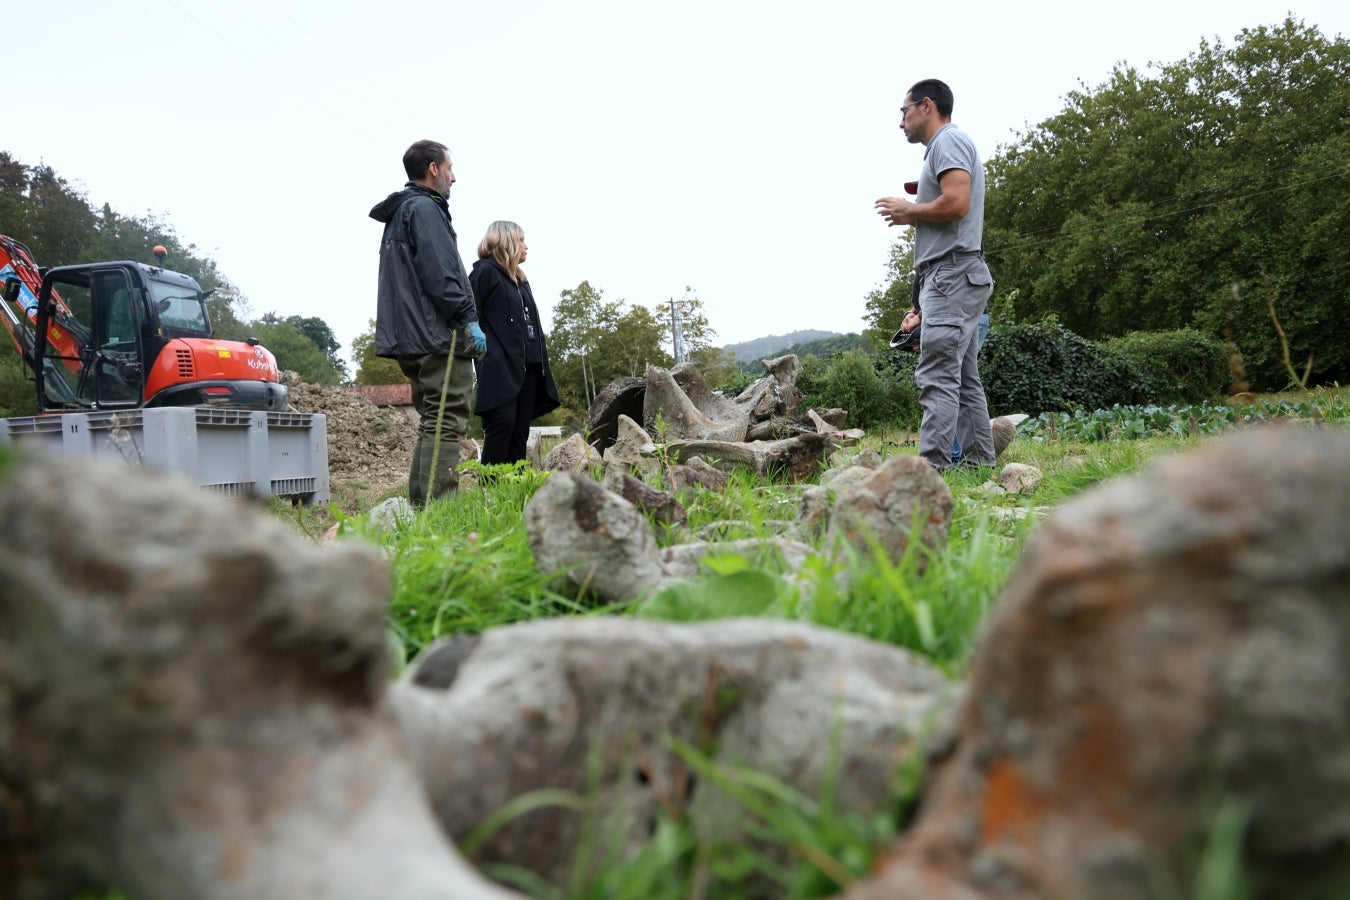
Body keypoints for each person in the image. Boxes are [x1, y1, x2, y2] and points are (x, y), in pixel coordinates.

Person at [875, 79, 996, 471]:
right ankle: (980, 466)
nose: (901, 121)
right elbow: (951, 209)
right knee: (963, 378)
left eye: (904, 111)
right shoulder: (942, 149)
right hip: (954, 275)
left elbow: (957, 202)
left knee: (937, 375)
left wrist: (911, 209)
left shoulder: (948, 142)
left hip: (952, 273)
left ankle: (932, 472)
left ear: (926, 105)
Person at [370, 139, 487, 505]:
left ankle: (422, 508)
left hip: (411, 334)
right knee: (447, 420)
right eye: (450, 168)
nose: (455, 177)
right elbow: (441, 272)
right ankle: (440, 510)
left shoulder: (402, 211)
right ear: (433, 168)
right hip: (436, 334)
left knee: (432, 420)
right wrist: (468, 319)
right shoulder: (424, 209)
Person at [468, 220, 560, 465]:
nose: (526, 246)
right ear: (506, 241)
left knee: (520, 428)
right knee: (502, 424)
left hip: (528, 365)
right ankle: (489, 491)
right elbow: (469, 314)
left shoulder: (520, 279)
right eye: (521, 240)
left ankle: (514, 491)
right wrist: (483, 351)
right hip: (499, 366)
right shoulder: (485, 272)